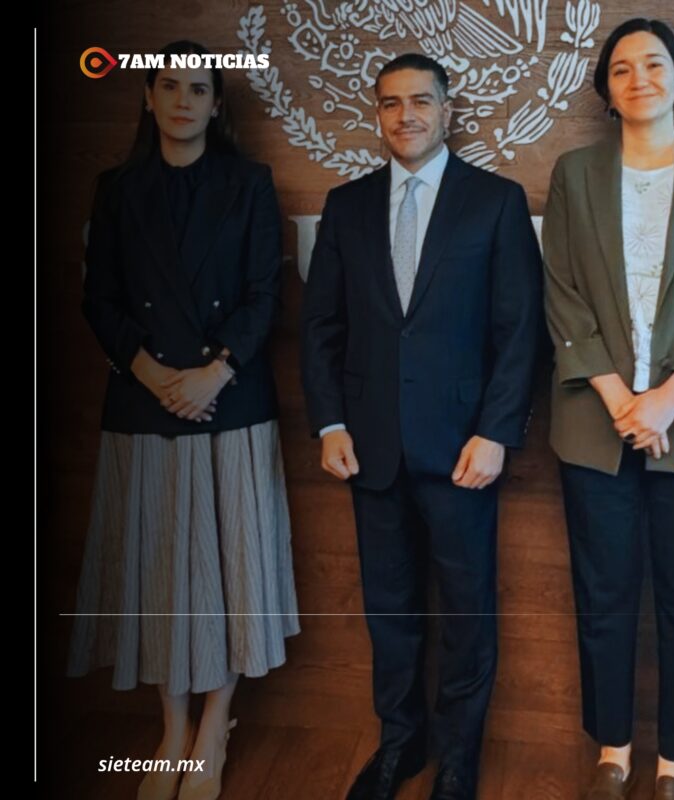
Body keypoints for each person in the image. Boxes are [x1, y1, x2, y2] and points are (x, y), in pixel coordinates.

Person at [302, 52, 541, 800]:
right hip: (369, 450)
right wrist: (329, 422)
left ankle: (460, 758)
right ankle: (400, 745)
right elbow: (321, 327)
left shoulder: (495, 201)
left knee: (467, 615)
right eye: (390, 103)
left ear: (447, 110)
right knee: (391, 612)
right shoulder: (346, 206)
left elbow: (520, 330)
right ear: (377, 114)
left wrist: (496, 432)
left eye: (420, 101)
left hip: (465, 448)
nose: (405, 115)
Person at [67, 40, 299, 800]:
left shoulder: (249, 183)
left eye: (198, 89)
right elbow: (100, 297)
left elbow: (265, 295)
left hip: (229, 400)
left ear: (217, 104)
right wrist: (150, 372)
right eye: (168, 86)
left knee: (230, 569)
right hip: (146, 402)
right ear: (147, 97)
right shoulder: (116, 188)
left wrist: (213, 373)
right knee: (161, 570)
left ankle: (214, 727)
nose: (182, 100)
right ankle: (170, 729)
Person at [542, 18, 674, 800]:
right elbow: (562, 294)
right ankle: (613, 749)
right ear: (607, 91)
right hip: (594, 425)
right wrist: (619, 398)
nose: (641, 79)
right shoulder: (575, 174)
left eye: (656, 64)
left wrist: (666, 399)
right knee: (603, 597)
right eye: (623, 68)